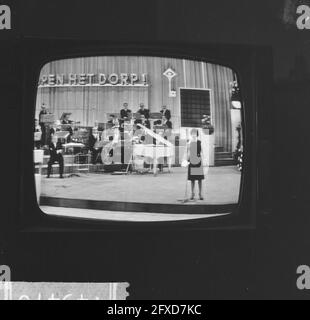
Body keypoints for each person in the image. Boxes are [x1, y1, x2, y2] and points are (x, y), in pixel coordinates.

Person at [187, 128, 205, 200]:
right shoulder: (189, 142)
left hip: (198, 161)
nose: (194, 135)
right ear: (191, 134)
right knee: (192, 179)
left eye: (195, 133)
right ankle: (192, 194)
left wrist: (203, 160)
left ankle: (200, 194)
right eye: (192, 133)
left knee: (199, 179)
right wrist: (187, 160)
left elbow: (202, 152)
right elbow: (188, 152)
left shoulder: (199, 142)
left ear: (197, 134)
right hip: (191, 161)